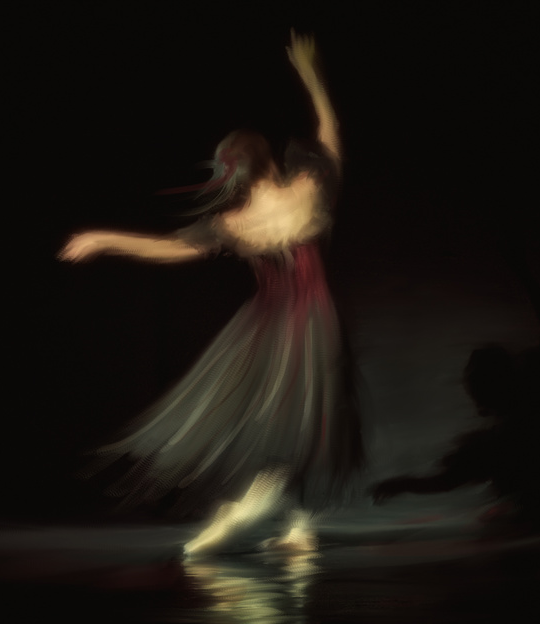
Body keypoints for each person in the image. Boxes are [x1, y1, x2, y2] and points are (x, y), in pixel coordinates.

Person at [60, 30, 363, 555]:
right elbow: (330, 132)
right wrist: (312, 77)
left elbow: (169, 249)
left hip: (277, 326)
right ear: (268, 160)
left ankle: (273, 518)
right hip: (307, 322)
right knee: (298, 419)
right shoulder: (306, 188)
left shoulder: (239, 220)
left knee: (293, 417)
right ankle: (270, 516)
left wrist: (104, 239)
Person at [371, 235, 540, 537]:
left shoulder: (511, 435)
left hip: (536, 526)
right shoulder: (537, 416)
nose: (472, 395)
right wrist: (521, 270)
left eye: (475, 387)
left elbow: (446, 482)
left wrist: (400, 485)